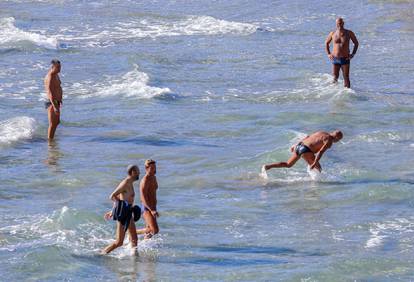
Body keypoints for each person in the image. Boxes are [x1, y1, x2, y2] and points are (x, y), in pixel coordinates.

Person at [102, 165, 141, 254]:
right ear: (133, 172)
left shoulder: (130, 183)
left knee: (134, 239)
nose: (139, 173)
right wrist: (117, 209)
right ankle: (102, 253)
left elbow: (120, 196)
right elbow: (112, 196)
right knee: (119, 242)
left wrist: (113, 210)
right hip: (123, 214)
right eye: (138, 171)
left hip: (129, 214)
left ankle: (135, 260)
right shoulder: (125, 183)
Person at [262, 130, 343, 173]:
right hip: (306, 150)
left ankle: (268, 166)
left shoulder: (321, 132)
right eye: (339, 140)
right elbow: (321, 152)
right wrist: (314, 163)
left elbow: (308, 137)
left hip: (300, 145)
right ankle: (314, 186)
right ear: (336, 137)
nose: (338, 141)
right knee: (319, 169)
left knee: (288, 164)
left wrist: (296, 145)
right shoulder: (329, 141)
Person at [325, 18, 359, 88]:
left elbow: (356, 43)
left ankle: (348, 92)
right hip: (335, 58)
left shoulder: (349, 33)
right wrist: (328, 54)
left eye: (341, 23)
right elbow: (326, 43)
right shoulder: (333, 33)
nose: (339, 24)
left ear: (343, 23)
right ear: (336, 24)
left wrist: (353, 54)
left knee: (346, 77)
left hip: (345, 58)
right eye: (338, 23)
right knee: (335, 77)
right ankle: (334, 92)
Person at [137, 159, 159, 239]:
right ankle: (133, 232)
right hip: (147, 208)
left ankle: (143, 244)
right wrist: (151, 210)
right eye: (152, 168)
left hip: (153, 207)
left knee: (149, 230)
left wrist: (154, 208)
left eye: (155, 167)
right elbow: (143, 198)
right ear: (146, 168)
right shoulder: (144, 181)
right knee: (155, 230)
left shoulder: (154, 178)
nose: (154, 170)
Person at [44, 59, 63, 140]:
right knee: (52, 123)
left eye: (60, 67)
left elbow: (58, 87)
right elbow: (50, 93)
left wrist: (60, 99)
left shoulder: (56, 74)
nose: (59, 69)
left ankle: (52, 138)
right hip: (52, 102)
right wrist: (55, 106)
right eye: (57, 67)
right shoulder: (50, 77)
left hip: (57, 101)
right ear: (52, 67)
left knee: (57, 122)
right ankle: (49, 141)